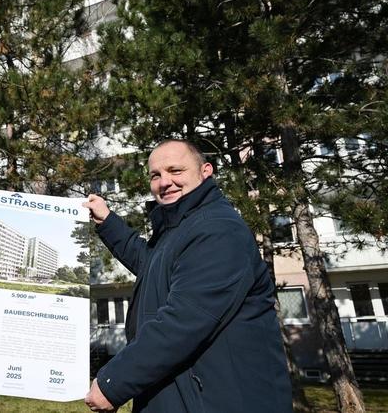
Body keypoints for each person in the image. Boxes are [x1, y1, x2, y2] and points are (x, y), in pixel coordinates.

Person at [83, 139, 291, 412]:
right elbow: (150, 265)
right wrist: (107, 220)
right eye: (155, 175)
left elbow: (184, 320)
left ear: (206, 171)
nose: (164, 182)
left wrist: (113, 382)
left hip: (215, 401)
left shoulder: (217, 229)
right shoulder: (182, 229)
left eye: (175, 171)